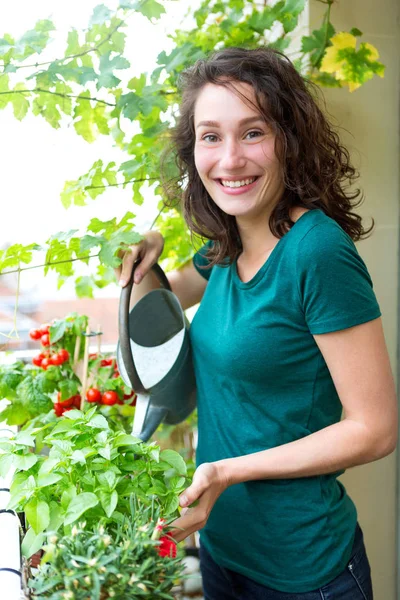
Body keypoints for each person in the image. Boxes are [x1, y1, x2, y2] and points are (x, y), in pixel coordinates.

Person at [116, 47, 397, 599]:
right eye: (211, 136)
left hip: (304, 571)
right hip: (223, 550)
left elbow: (376, 428)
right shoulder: (227, 241)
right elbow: (164, 306)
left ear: (289, 141)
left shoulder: (315, 253)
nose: (229, 159)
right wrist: (147, 254)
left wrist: (226, 472)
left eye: (253, 133)